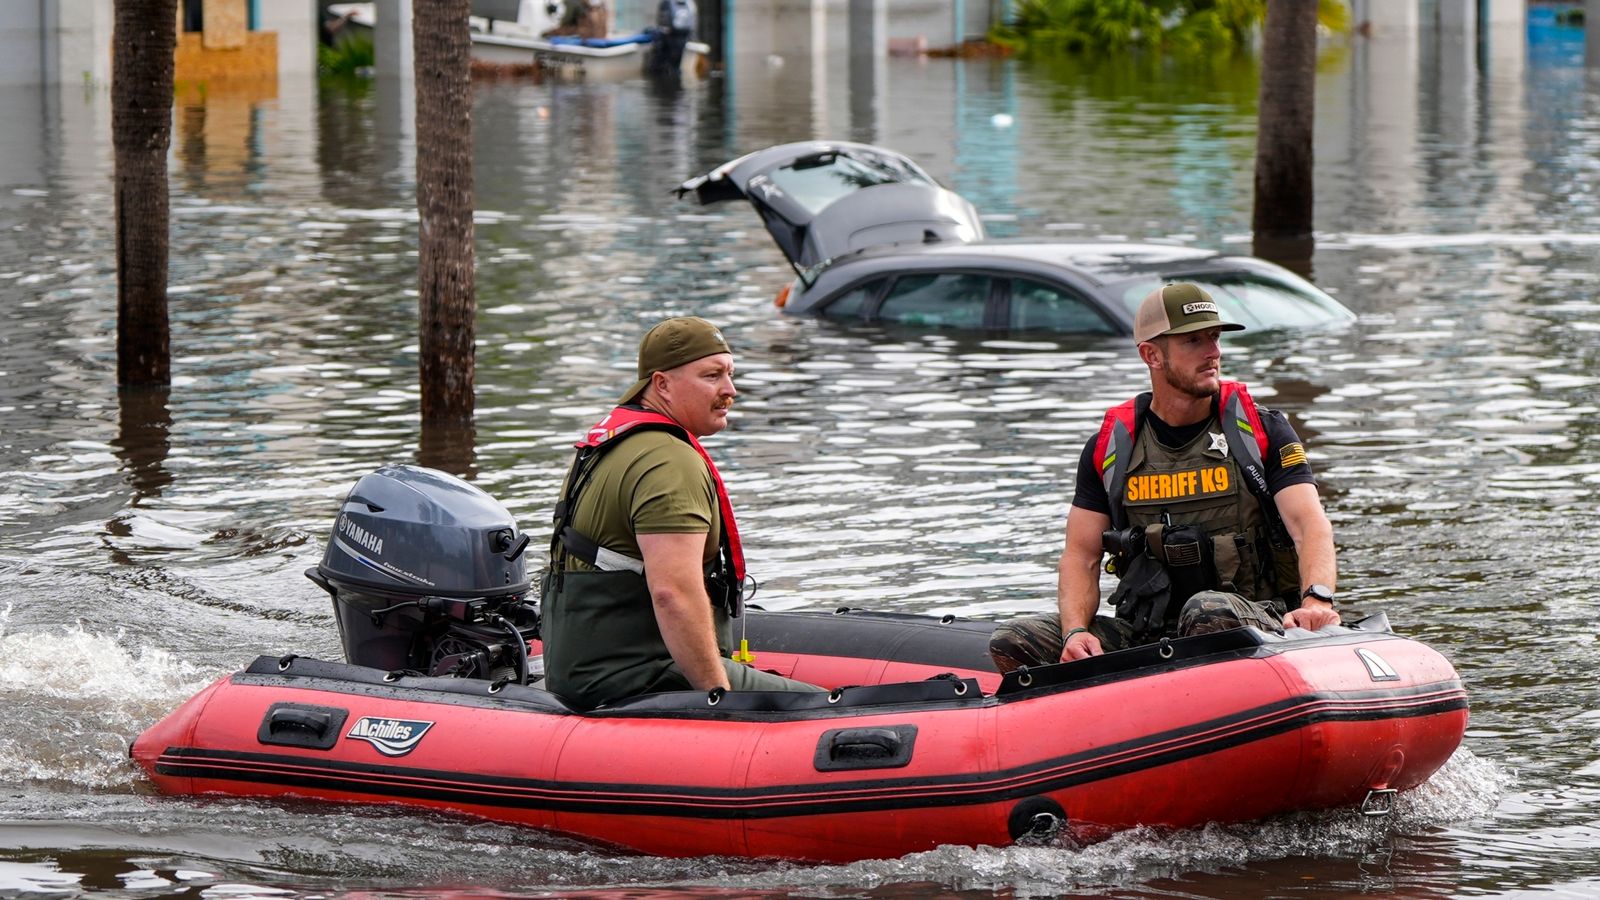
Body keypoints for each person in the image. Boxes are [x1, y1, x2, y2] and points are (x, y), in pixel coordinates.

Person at [989, 283, 1341, 671]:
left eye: (1215, 337)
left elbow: (1308, 525)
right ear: (1152, 355)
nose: (1214, 352)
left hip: (1254, 621)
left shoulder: (1262, 431)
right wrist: (1075, 633)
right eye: (1194, 340)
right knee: (1016, 639)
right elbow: (1081, 556)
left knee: (1207, 612)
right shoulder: (1109, 448)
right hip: (1148, 633)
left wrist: (1316, 601)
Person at [541, 317, 821, 710]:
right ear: (662, 385)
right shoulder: (669, 462)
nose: (730, 391)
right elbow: (673, 593)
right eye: (712, 376)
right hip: (639, 675)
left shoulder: (615, 444)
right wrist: (719, 698)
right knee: (833, 710)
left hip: (585, 672)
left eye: (730, 374)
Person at [652, 0, 697, 78]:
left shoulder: (669, 3)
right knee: (673, 62)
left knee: (672, 62)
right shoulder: (688, 3)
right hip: (676, 36)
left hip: (676, 35)